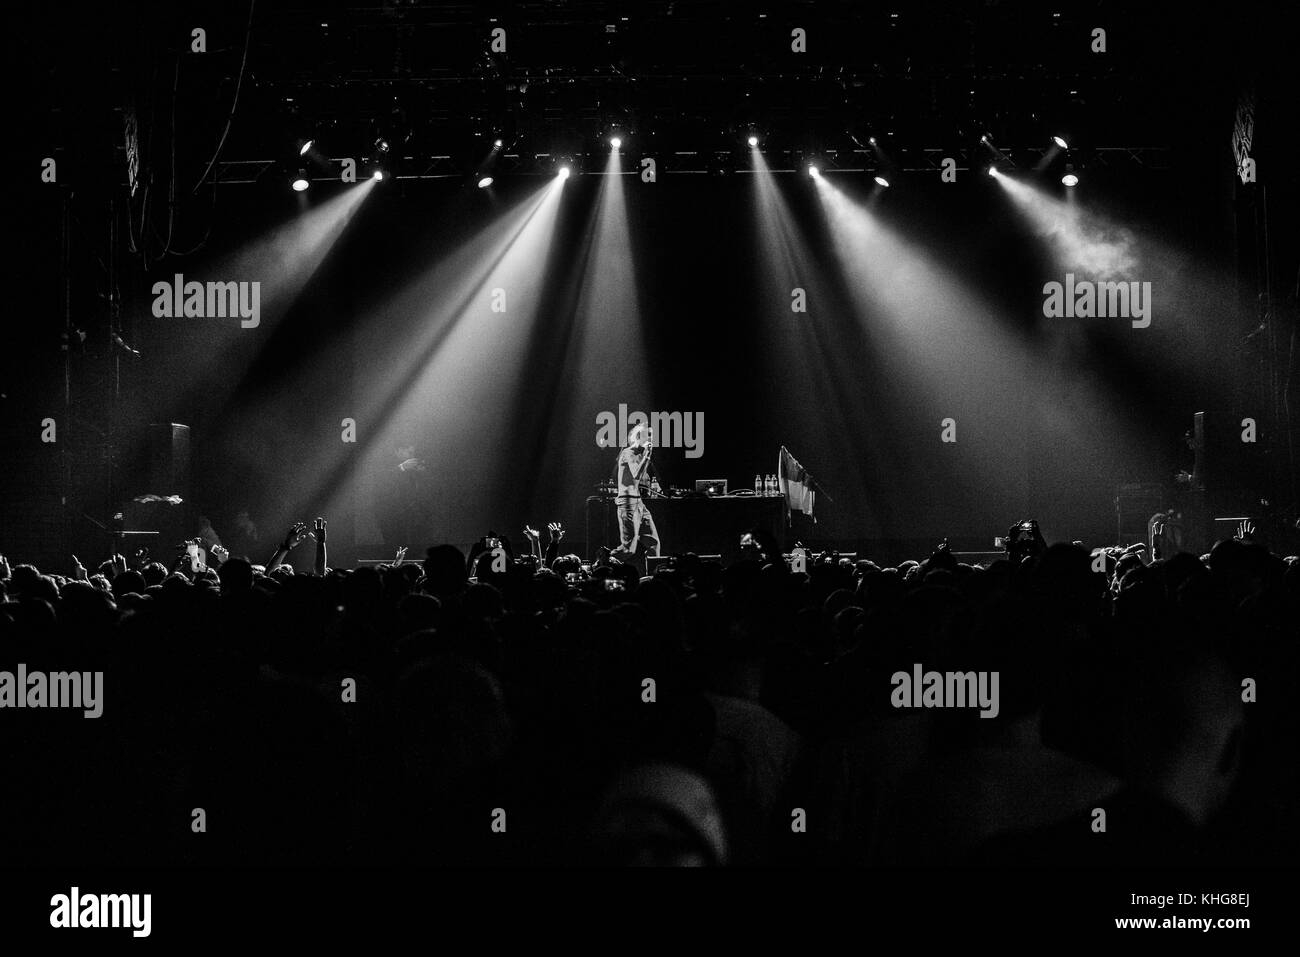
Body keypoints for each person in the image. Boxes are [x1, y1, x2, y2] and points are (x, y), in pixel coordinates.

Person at [611, 424, 661, 571]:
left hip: (639, 502)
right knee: (628, 550)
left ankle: (653, 577)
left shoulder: (641, 454)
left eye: (652, 435)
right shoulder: (628, 452)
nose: (652, 438)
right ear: (639, 437)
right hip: (627, 503)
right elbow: (636, 475)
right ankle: (600, 564)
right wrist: (647, 455)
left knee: (653, 543)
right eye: (649, 435)